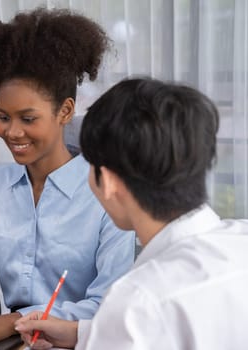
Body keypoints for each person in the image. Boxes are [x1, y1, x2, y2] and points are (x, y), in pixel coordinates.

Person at [0, 8, 136, 349]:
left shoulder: (105, 195)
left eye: (28, 118)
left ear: (65, 111)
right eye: (3, 117)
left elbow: (105, 302)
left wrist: (13, 322)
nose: (12, 132)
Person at [15, 78, 248, 349]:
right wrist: (83, 334)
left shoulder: (137, 302)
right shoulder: (241, 239)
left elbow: (140, 324)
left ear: (109, 181)